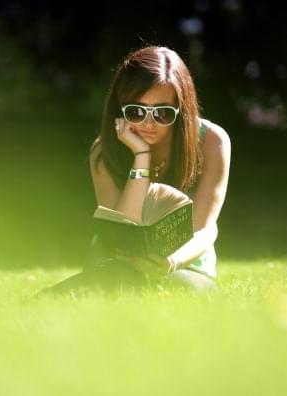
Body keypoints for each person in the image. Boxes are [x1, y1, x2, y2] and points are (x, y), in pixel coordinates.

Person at [39, 45, 231, 296]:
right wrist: (141, 158)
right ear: (120, 109)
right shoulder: (104, 150)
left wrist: (170, 262)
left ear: (182, 111)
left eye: (162, 113)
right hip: (116, 261)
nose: (148, 123)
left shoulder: (212, 141)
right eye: (136, 111)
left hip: (186, 264)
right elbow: (120, 231)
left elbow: (205, 229)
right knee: (114, 284)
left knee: (184, 291)